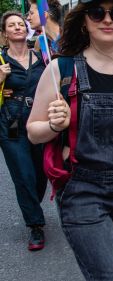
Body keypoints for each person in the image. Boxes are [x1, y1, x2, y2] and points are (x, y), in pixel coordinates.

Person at [26, 0, 113, 279]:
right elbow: (33, 131)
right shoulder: (60, 70)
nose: (108, 19)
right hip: (83, 191)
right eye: (98, 12)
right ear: (84, 20)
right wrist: (53, 125)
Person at [0, 11, 47, 251]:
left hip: (38, 119)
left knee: (40, 175)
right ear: (5, 32)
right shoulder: (0, 61)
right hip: (11, 122)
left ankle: (32, 205)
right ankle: (35, 225)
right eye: (12, 25)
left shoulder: (41, 56)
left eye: (21, 23)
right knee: (24, 175)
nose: (18, 27)